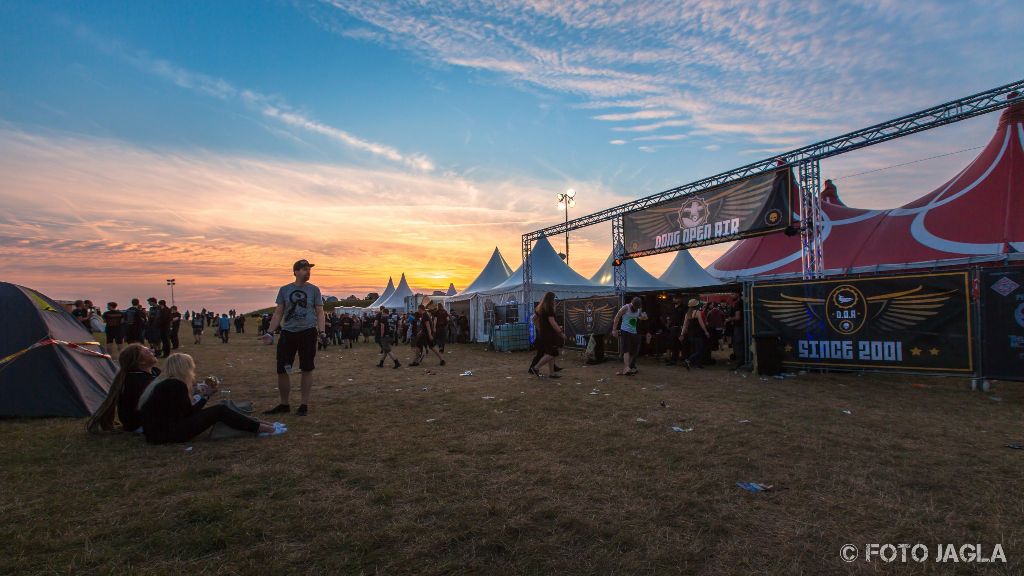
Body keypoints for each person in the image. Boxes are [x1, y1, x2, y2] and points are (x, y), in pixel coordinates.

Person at [137, 353, 285, 444]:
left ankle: (265, 425)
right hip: (168, 435)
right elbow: (189, 413)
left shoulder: (162, 383)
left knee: (220, 408)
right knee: (220, 410)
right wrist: (206, 396)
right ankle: (265, 429)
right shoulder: (176, 385)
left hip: (157, 434)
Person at [262, 259, 325, 417]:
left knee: (307, 368)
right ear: (296, 272)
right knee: (282, 369)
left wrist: (322, 331)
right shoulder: (285, 290)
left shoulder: (314, 290)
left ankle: (304, 404)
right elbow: (278, 312)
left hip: (308, 332)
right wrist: (270, 332)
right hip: (288, 333)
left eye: (309, 269)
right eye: (304, 269)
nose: (308, 271)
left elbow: (320, 312)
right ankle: (284, 404)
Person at [86, 343, 160, 433]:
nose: (152, 351)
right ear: (141, 362)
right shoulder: (135, 381)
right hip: (140, 424)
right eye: (147, 351)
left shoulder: (155, 372)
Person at [530, 292, 564, 378]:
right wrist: (560, 332)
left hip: (543, 334)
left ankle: (552, 373)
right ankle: (536, 368)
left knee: (550, 352)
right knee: (552, 353)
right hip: (550, 334)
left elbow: (533, 319)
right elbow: (553, 323)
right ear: (551, 300)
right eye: (554, 299)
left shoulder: (540, 308)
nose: (555, 301)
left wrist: (539, 328)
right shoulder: (549, 309)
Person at [612, 297, 647, 376]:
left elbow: (642, 317)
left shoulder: (638, 309)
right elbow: (617, 317)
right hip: (625, 331)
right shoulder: (626, 307)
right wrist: (614, 329)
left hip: (634, 332)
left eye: (637, 307)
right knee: (626, 350)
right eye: (635, 306)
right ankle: (626, 368)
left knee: (633, 351)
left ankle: (628, 367)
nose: (636, 308)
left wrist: (644, 316)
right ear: (632, 303)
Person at [681, 299, 711, 370]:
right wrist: (706, 331)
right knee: (700, 349)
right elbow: (701, 324)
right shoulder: (698, 312)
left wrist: (682, 334)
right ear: (696, 305)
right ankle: (689, 360)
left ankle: (696, 364)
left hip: (690, 334)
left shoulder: (687, 314)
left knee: (694, 349)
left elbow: (685, 325)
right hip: (698, 333)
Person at [665, 294, 687, 366]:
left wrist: (683, 329)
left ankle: (684, 359)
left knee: (682, 344)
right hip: (673, 328)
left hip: (680, 328)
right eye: (674, 298)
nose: (674, 300)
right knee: (673, 344)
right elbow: (669, 316)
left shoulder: (684, 307)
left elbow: (685, 318)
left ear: (680, 299)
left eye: (676, 298)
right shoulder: (672, 307)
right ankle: (673, 360)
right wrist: (668, 322)